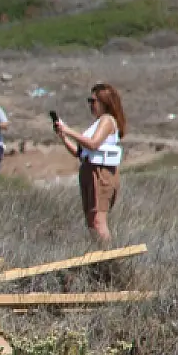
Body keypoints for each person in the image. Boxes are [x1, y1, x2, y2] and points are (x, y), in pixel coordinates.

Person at [54, 82, 126, 247]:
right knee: (91, 221)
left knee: (98, 220)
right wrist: (64, 137)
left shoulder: (107, 120)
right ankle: (99, 253)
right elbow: (81, 153)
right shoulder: (98, 122)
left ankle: (109, 258)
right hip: (90, 169)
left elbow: (93, 144)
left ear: (104, 102)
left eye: (93, 101)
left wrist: (68, 130)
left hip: (101, 173)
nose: (90, 105)